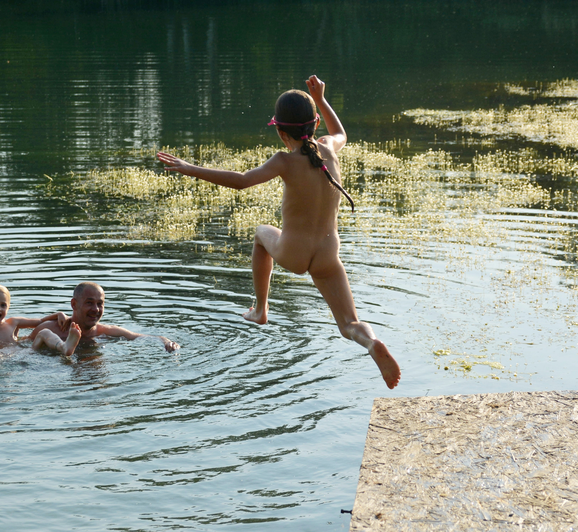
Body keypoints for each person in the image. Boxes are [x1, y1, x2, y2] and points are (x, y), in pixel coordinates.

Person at [156, 75, 400, 389]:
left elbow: (242, 180)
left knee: (260, 233)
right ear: (314, 125)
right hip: (328, 255)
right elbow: (340, 132)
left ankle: (260, 309)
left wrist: (191, 168)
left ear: (281, 132)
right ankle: (371, 343)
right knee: (349, 323)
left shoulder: (284, 160)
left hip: (293, 252)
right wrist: (322, 99)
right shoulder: (329, 147)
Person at [27, 282, 180, 353]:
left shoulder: (105, 331)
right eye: (89, 303)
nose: (96, 309)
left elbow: (142, 337)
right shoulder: (50, 328)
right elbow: (19, 348)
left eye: (100, 304)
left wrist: (167, 341)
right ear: (74, 304)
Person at [0, 284, 81, 356]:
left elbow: (40, 321)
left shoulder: (14, 322)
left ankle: (64, 347)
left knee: (44, 332)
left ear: (8, 307)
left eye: (3, 305)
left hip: (23, 353)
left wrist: (59, 314)